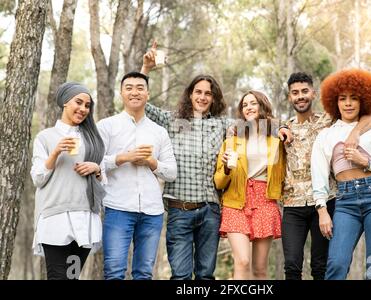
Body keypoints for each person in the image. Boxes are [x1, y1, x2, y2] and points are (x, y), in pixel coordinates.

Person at [140, 42, 233, 280]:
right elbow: (139, 102)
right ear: (190, 94)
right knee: (180, 276)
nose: (202, 97)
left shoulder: (221, 124)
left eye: (208, 93)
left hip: (211, 211)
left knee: (205, 276)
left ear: (213, 99)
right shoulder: (172, 120)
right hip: (179, 210)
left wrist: (283, 128)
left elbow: (255, 124)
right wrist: (146, 68)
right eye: (198, 92)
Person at [279, 72, 371, 280]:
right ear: (289, 97)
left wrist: (355, 133)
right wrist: (278, 128)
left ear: (313, 93)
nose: (300, 96)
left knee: (320, 266)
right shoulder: (284, 127)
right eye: (295, 93)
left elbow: (370, 116)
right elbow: (254, 125)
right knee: (292, 265)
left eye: (305, 91)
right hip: (292, 205)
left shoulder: (329, 121)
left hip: (326, 202)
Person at [311, 68, 371, 280]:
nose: (348, 103)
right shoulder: (325, 135)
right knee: (336, 264)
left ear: (363, 101)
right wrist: (322, 210)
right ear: (335, 102)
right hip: (345, 202)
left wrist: (366, 162)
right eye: (343, 98)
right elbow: (319, 176)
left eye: (354, 98)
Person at [97, 71, 177, 280]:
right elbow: (94, 164)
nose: (135, 92)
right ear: (121, 93)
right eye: (129, 88)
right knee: (114, 272)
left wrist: (151, 162)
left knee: (143, 274)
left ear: (147, 94)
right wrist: (123, 158)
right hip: (118, 208)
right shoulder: (106, 126)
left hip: (152, 211)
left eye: (140, 88)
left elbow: (171, 172)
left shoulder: (159, 131)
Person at [31, 82, 105, 280]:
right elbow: (38, 178)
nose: (83, 109)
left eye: (87, 106)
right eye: (78, 102)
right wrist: (55, 152)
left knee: (71, 277)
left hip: (84, 219)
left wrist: (96, 169)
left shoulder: (93, 140)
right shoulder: (45, 137)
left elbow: (102, 183)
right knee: (57, 276)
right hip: (55, 218)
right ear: (65, 102)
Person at [214, 91, 285, 279]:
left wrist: (284, 129)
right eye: (245, 105)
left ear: (263, 106)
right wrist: (228, 170)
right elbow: (219, 180)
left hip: (265, 200)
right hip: (236, 200)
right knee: (242, 261)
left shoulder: (277, 140)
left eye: (253, 103)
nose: (249, 107)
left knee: (260, 268)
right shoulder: (232, 140)